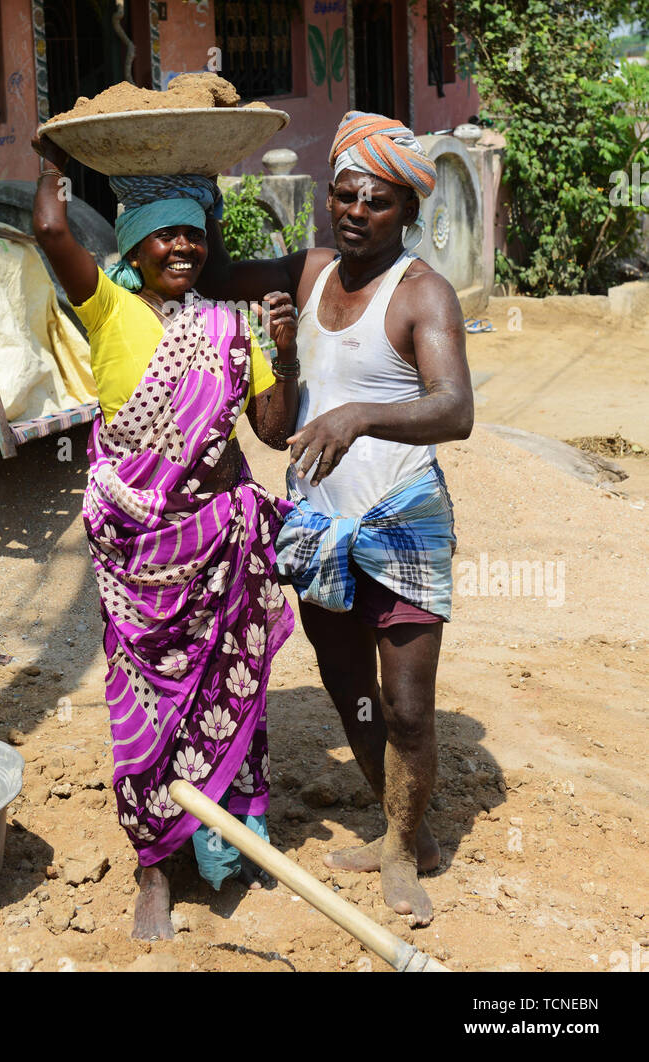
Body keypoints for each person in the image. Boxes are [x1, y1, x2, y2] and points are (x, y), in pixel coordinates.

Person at [199, 110, 473, 927]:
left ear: (407, 212)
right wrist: (193, 184)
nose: (355, 212)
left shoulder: (420, 292)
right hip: (318, 522)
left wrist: (356, 416)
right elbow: (214, 275)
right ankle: (402, 837)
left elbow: (453, 408)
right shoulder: (312, 270)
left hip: (400, 517)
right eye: (344, 196)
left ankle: (401, 845)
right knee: (347, 686)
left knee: (407, 706)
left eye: (377, 202)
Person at [31, 130, 299, 940]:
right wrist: (49, 155)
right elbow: (49, 229)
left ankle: (225, 843)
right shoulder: (106, 308)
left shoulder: (228, 323)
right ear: (134, 244)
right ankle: (153, 866)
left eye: (193, 232)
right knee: (144, 711)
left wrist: (283, 354)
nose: (181, 245)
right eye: (164, 232)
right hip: (141, 557)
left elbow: (274, 431)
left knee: (230, 697)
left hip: (221, 545)